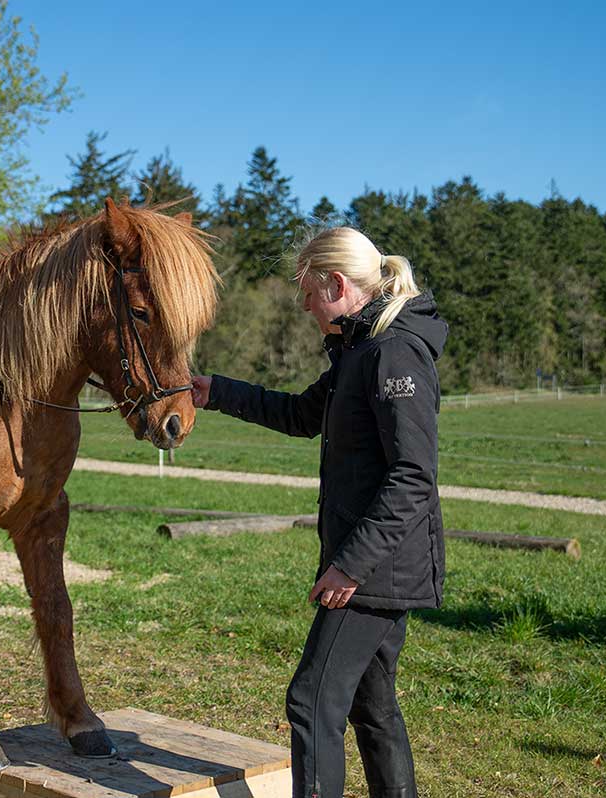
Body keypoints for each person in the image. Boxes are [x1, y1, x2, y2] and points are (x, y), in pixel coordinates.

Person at [191, 227, 448, 798]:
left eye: (308, 291)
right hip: (377, 562)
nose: (305, 305)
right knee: (372, 704)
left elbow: (413, 477)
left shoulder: (392, 352)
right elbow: (303, 414)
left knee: (311, 699)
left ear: (336, 283)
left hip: (378, 569)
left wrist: (350, 566)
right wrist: (216, 391)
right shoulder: (361, 351)